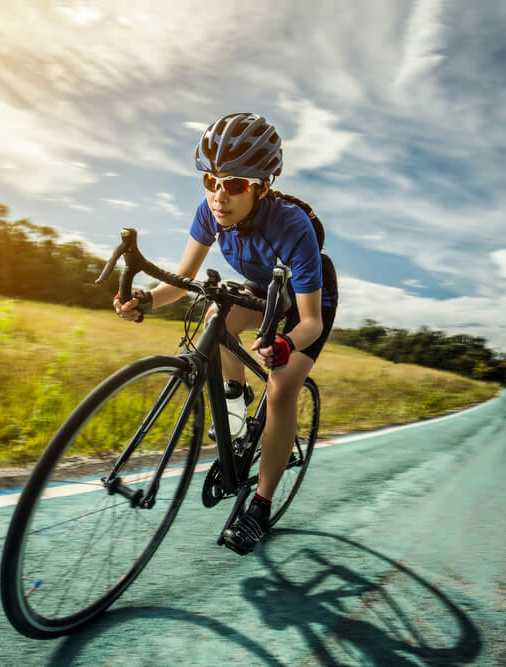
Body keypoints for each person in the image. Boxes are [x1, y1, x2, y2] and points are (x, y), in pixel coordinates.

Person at [114, 112, 339, 555]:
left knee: (280, 388)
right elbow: (181, 279)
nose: (219, 195)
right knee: (214, 317)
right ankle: (235, 399)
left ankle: (260, 506)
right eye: (210, 180)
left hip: (307, 300)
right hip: (262, 285)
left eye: (234, 184)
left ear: (262, 187)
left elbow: (309, 322)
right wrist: (143, 303)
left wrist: (285, 343)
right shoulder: (210, 213)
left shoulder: (291, 226)